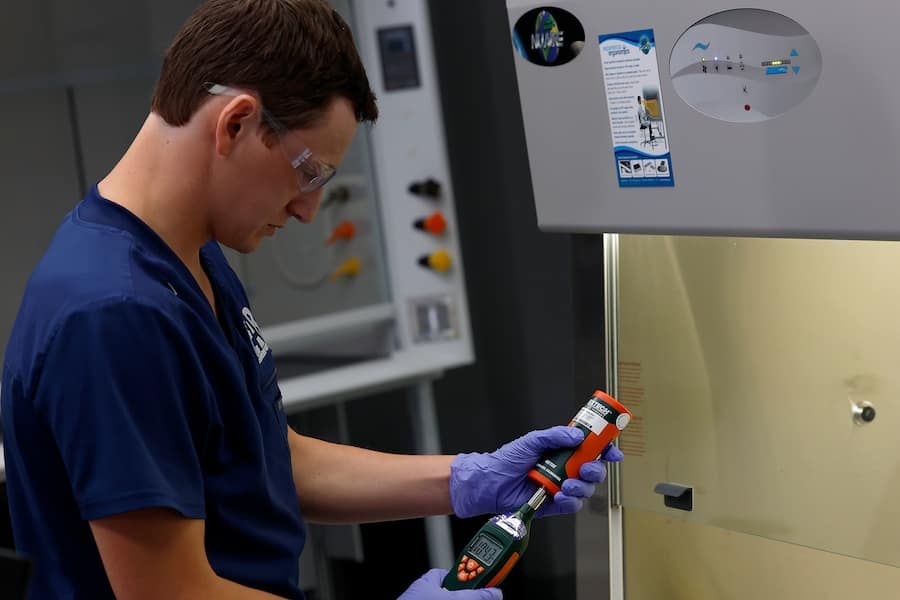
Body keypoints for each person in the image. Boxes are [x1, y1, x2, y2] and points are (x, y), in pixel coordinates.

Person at [0, 1, 623, 598]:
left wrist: (469, 479)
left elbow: (272, 460)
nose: (307, 210)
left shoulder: (193, 256)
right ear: (236, 123)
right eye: (308, 174)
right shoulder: (114, 313)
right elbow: (172, 592)